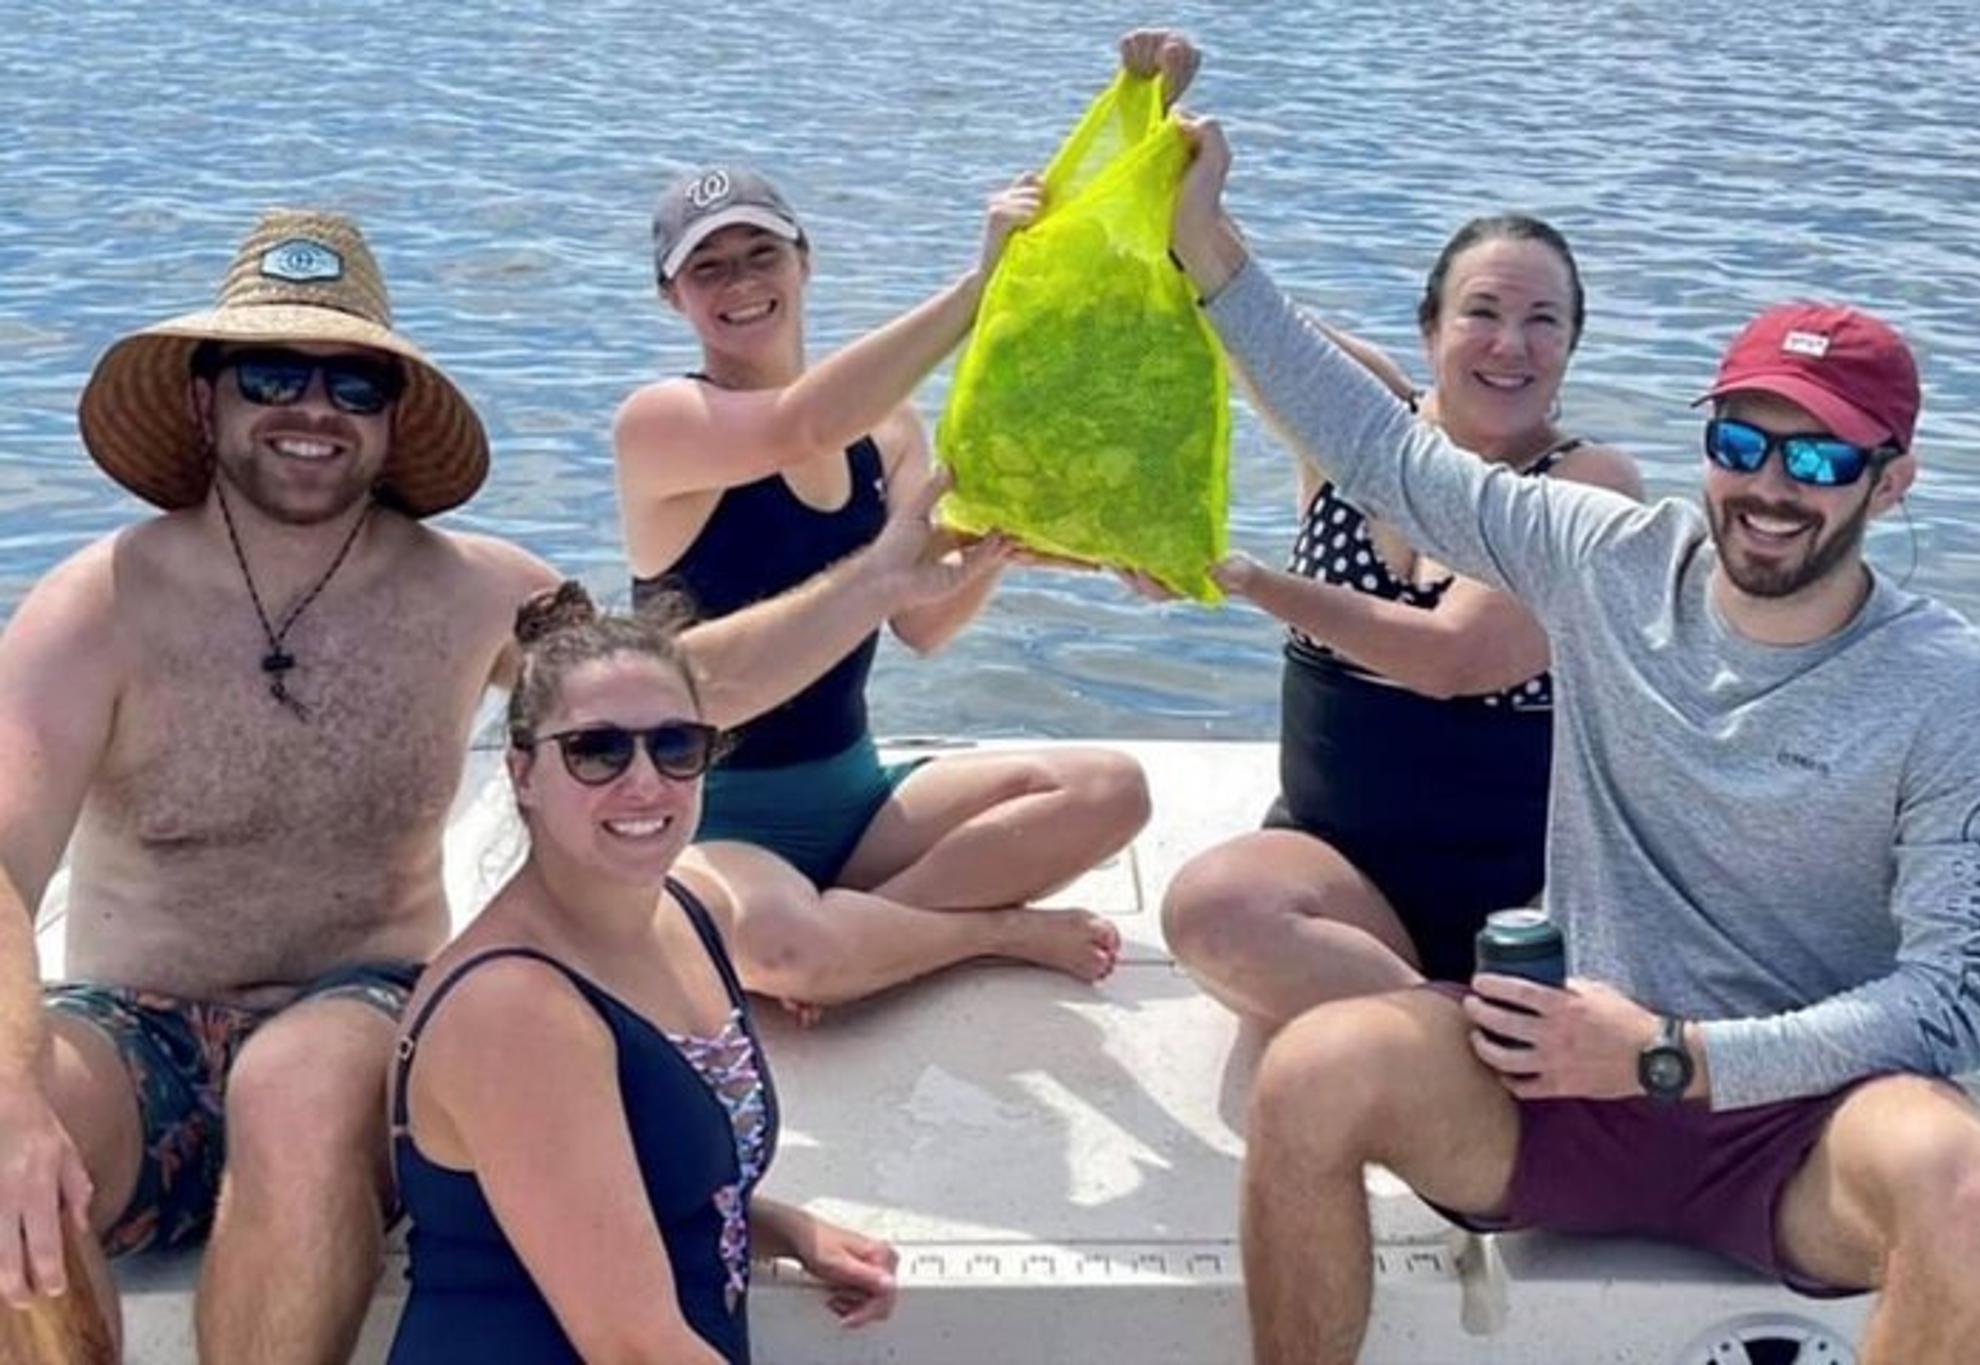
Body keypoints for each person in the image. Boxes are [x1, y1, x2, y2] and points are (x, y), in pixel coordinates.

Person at [1140, 56, 1980, 1364]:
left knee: (1964, 1187)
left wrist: (1674, 1055)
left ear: (1887, 484)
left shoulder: (1954, 695)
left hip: (1798, 1117)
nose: (1769, 487)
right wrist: (1203, 237)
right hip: (1553, 1076)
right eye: (1741, 443)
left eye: (1818, 457)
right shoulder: (1609, 558)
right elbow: (1380, 446)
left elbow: (1950, 1005)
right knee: (1313, 1073)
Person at [0, 208, 989, 1362]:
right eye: (271, 376)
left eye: (354, 384)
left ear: (392, 416)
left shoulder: (476, 591)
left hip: (363, 1020)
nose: (312, 410)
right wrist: (14, 1094)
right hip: (137, 1023)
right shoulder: (96, 604)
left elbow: (675, 687)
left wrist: (875, 580)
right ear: (203, 399)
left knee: (296, 1086)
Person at [613, 165, 1150, 1021]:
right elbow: (801, 425)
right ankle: (984, 934)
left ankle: (865, 939)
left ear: (805, 262)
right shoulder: (660, 421)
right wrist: (977, 289)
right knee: (784, 947)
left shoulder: (890, 431)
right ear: (670, 296)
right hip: (713, 819)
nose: (741, 282)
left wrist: (1015, 542)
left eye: (762, 254)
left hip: (856, 798)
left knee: (1111, 791)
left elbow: (924, 623)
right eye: (708, 268)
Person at [387, 583, 895, 1363]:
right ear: (522, 773)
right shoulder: (512, 1010)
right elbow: (635, 1346)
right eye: (597, 750)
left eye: (676, 745)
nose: (646, 780)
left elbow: (626, 1181)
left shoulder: (686, 915)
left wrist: (778, 1225)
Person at [1160, 208, 1642, 1026]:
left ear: (1571, 345)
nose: (1511, 344)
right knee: (1211, 908)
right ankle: (1451, 1026)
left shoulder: (1589, 483)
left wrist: (1246, 580)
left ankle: (1438, 1026)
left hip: (1520, 890)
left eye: (1543, 321)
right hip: (1333, 863)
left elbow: (1455, 658)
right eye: (1482, 312)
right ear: (1430, 327)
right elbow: (1236, 303)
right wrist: (1175, 183)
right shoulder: (1359, 421)